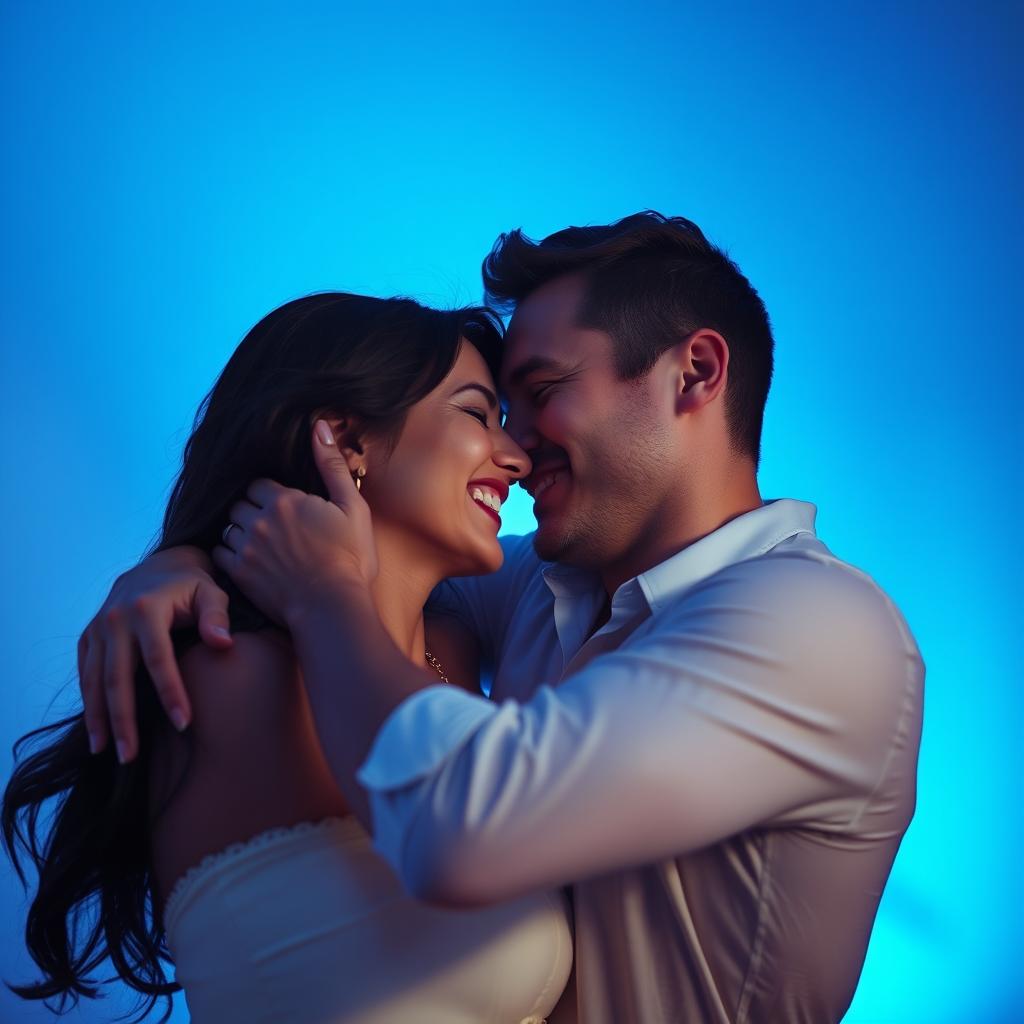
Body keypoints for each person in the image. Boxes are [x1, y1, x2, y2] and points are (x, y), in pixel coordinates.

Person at [79, 212, 924, 1023]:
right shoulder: (543, 591)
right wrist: (182, 563)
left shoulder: (818, 626)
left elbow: (454, 824)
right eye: (490, 412)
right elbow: (390, 566)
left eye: (542, 391)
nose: (516, 449)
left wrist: (319, 595)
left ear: (696, 374)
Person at [2, 293, 574, 1024]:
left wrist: (180, 559)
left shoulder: (460, 648)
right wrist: (185, 563)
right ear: (344, 440)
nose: (517, 457)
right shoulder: (228, 680)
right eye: (474, 413)